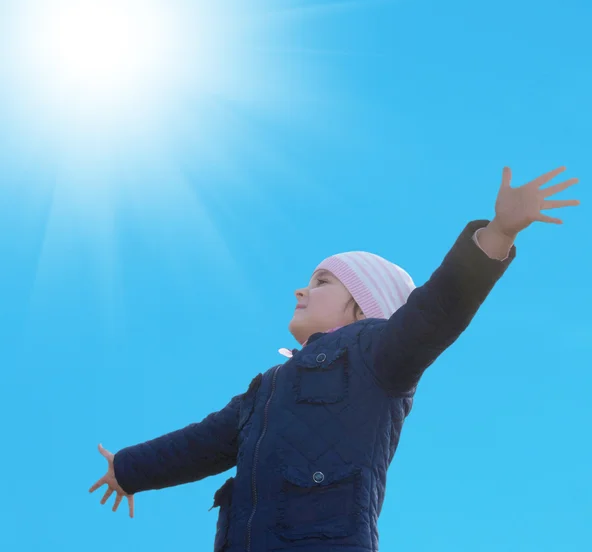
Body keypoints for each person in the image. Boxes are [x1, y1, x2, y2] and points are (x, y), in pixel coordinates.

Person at [90, 166, 579, 552]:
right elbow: (198, 444)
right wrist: (129, 469)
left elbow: (439, 309)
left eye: (324, 282)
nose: (303, 288)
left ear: (364, 305)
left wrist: (496, 233)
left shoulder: (378, 355)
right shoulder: (266, 388)